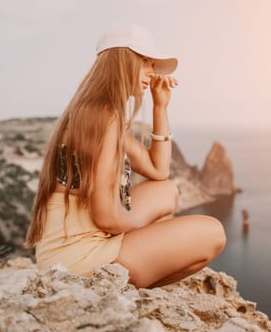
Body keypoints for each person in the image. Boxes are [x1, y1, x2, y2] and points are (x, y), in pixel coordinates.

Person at [25, 25, 226, 288]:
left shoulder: (99, 112)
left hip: (71, 248)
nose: (152, 73)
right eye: (146, 63)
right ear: (123, 61)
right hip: (79, 259)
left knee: (166, 190)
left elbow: (158, 170)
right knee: (213, 233)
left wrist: (160, 107)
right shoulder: (101, 117)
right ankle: (123, 283)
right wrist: (147, 231)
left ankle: (135, 269)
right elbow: (106, 218)